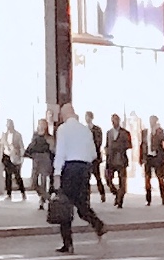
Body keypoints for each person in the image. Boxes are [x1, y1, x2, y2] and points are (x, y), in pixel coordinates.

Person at [52, 103, 107, 250]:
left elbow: (60, 152)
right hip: (84, 169)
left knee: (65, 206)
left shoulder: (62, 129)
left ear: (64, 115)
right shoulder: (85, 130)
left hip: (69, 168)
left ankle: (68, 243)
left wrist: (57, 174)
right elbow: (93, 153)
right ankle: (98, 225)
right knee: (82, 205)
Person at [102, 114, 131, 208]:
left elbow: (128, 145)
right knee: (108, 179)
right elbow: (107, 144)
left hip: (121, 160)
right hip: (111, 160)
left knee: (122, 182)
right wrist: (106, 150)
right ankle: (116, 193)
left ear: (119, 121)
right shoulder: (109, 133)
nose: (114, 122)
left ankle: (120, 201)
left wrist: (118, 147)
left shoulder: (125, 133)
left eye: (115, 120)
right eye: (112, 120)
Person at [141, 116, 164, 206]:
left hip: (157, 157)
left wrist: (157, 131)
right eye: (150, 121)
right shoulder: (145, 131)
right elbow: (142, 144)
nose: (151, 122)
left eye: (153, 121)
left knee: (160, 178)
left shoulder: (160, 131)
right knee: (147, 179)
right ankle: (148, 199)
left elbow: (163, 140)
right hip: (148, 157)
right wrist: (142, 157)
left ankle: (163, 197)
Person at [26, 118, 54, 201]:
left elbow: (52, 148)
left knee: (43, 180)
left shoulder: (49, 137)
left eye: (43, 124)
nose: (41, 126)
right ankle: (45, 196)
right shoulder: (35, 135)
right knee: (33, 181)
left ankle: (42, 200)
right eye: (40, 124)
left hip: (45, 158)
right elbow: (32, 146)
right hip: (36, 158)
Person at [0, 118, 25, 201]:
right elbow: (2, 145)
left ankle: (22, 191)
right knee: (8, 175)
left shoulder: (18, 135)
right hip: (6, 156)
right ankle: (8, 193)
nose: (8, 126)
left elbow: (21, 146)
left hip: (15, 156)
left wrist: (21, 156)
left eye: (9, 124)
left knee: (17, 175)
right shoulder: (4, 135)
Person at [86, 110, 106, 200]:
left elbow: (99, 142)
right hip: (86, 157)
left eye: (88, 116)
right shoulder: (84, 129)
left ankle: (102, 193)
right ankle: (87, 194)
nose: (87, 118)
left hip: (95, 156)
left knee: (97, 176)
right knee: (86, 177)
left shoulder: (97, 129)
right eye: (86, 116)